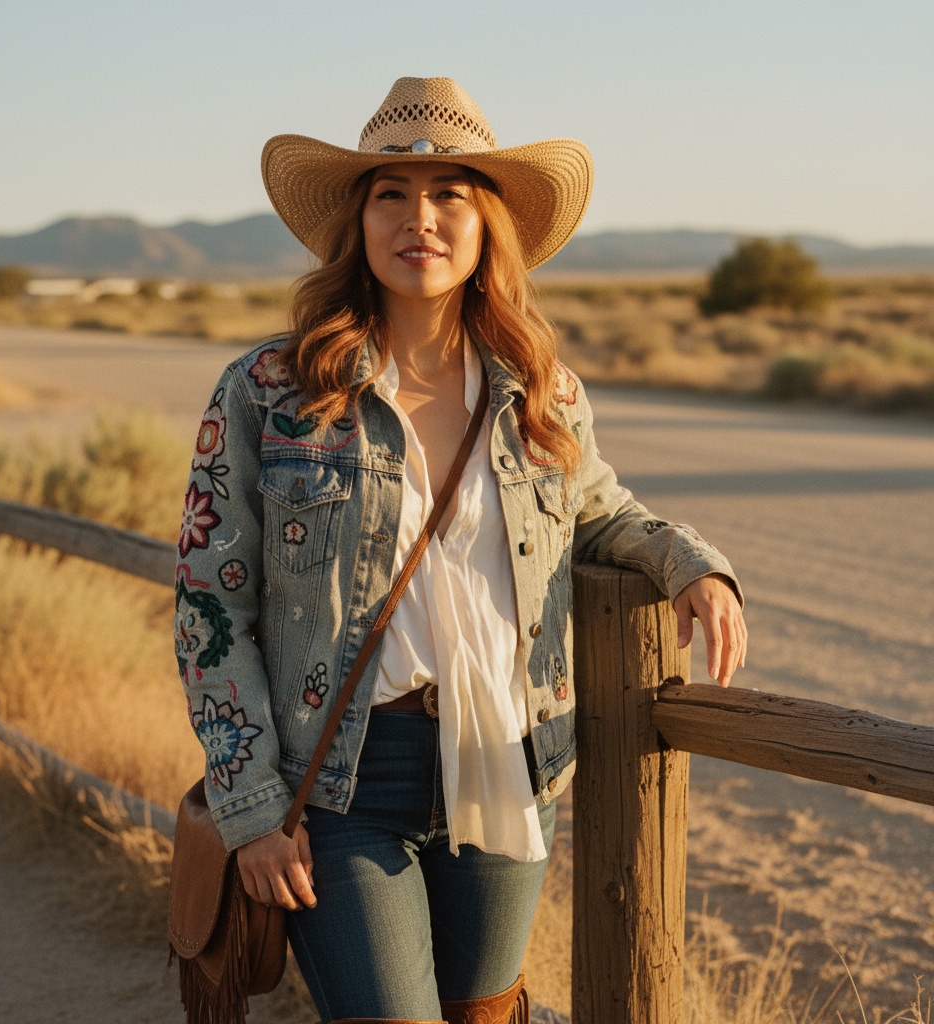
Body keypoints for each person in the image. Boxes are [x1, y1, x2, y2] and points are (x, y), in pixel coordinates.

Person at [174, 77, 746, 1024]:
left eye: (450, 193)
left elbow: (598, 510)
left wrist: (691, 563)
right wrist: (252, 807)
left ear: (487, 225)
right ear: (358, 222)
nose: (420, 218)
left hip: (506, 761)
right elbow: (209, 607)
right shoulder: (270, 390)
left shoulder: (541, 389)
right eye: (390, 194)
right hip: (344, 780)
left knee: (485, 1015)